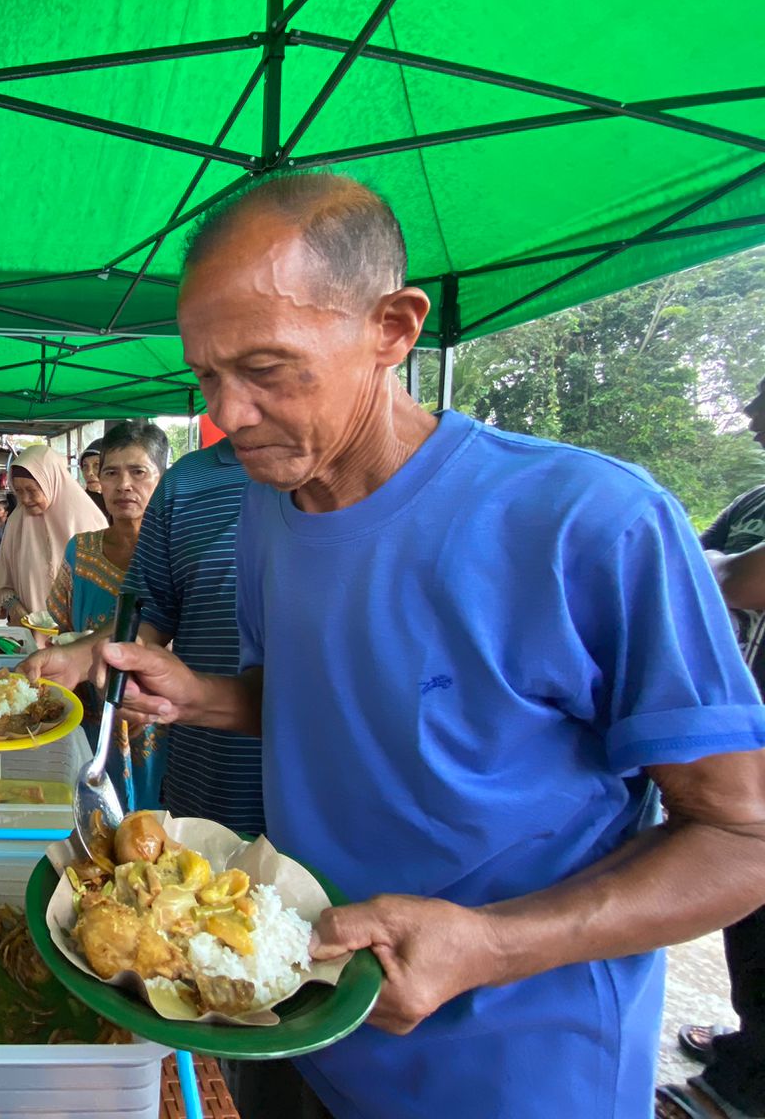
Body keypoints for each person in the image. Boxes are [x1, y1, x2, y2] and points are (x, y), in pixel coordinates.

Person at [98, 172, 765, 1119]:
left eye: (268, 368)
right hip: (298, 1022)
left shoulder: (590, 523)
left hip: (515, 1074)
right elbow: (323, 700)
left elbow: (742, 838)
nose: (227, 415)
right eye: (206, 375)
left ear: (394, 328)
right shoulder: (268, 509)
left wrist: (491, 944)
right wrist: (196, 696)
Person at [22, 436, 265, 838]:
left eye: (138, 472)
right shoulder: (186, 483)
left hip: (313, 785)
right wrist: (80, 657)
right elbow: (150, 609)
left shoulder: (366, 475)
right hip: (201, 762)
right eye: (210, 377)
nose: (124, 485)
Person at [663, 380, 765, 1119]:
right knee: (749, 929)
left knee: (744, 876)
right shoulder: (756, 498)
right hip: (737, 714)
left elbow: (728, 573)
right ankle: (746, 1042)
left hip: (746, 743)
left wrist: (711, 566)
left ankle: (742, 1087)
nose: (753, 413)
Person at [48, 421, 167, 807]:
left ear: (162, 478)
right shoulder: (80, 552)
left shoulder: (174, 556)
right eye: (111, 473)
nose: (124, 485)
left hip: (158, 723)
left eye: (138, 472)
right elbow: (58, 628)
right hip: (89, 716)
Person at [0, 445, 106, 626]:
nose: (25, 499)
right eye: (19, 491)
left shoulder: (89, 521)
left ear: (52, 482)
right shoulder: (16, 522)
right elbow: (4, 583)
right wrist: (14, 607)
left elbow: (102, 590)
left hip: (76, 639)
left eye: (32, 490)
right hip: (27, 636)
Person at [79, 441, 109, 520]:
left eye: (97, 464)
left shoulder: (124, 504)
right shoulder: (80, 503)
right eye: (85, 466)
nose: (89, 473)